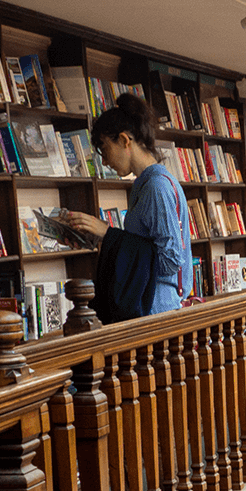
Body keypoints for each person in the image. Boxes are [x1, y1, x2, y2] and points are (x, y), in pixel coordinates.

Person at [62, 92, 192, 321]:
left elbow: (169, 261)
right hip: (148, 306)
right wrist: (96, 237)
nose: (104, 161)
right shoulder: (144, 184)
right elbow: (141, 247)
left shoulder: (156, 187)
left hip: (155, 312)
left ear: (124, 140)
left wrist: (109, 234)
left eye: (104, 149)